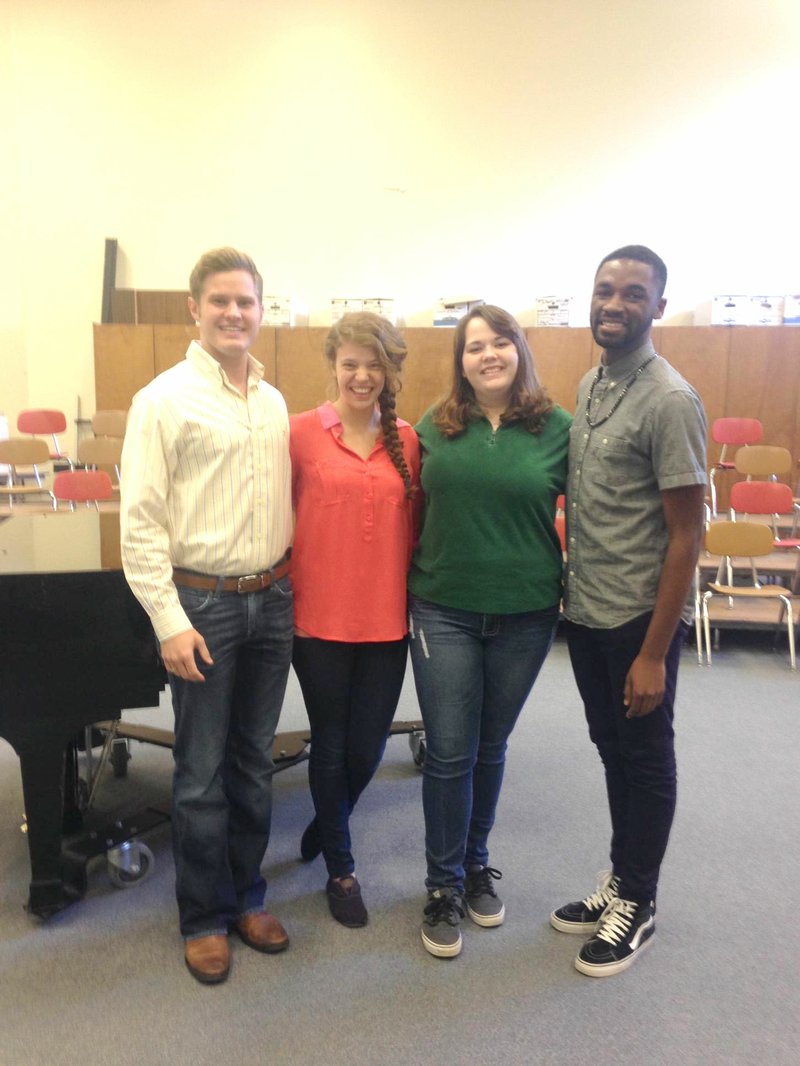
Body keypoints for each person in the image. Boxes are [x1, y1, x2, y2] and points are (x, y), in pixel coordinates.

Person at [120, 247, 294, 985]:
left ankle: (247, 897)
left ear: (261, 310)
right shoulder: (162, 399)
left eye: (245, 302)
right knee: (199, 773)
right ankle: (202, 916)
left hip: (274, 599)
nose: (233, 314)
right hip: (203, 607)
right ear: (194, 310)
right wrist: (168, 620)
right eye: (219, 301)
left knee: (256, 762)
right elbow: (140, 523)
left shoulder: (273, 399)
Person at [550, 245, 706, 977]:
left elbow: (687, 535)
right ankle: (621, 877)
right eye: (605, 289)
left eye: (633, 294)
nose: (615, 304)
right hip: (585, 611)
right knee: (612, 749)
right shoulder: (589, 384)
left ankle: (639, 902)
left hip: (636, 622)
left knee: (644, 758)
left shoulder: (670, 400)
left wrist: (654, 652)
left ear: (658, 308)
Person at [408, 305, 571, 958]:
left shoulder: (559, 428)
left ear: (519, 351)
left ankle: (476, 863)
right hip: (443, 607)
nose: (488, 354)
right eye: (475, 346)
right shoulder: (433, 426)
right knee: (450, 749)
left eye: (500, 342)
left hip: (527, 612)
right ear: (461, 362)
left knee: (491, 743)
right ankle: (442, 884)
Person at [289, 312, 420, 927]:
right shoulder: (300, 434)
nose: (362, 375)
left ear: (390, 370)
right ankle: (341, 870)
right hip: (318, 619)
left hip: (386, 622)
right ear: (333, 366)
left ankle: (325, 821)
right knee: (332, 744)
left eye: (375, 364)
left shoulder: (408, 439)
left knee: (367, 748)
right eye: (350, 363)